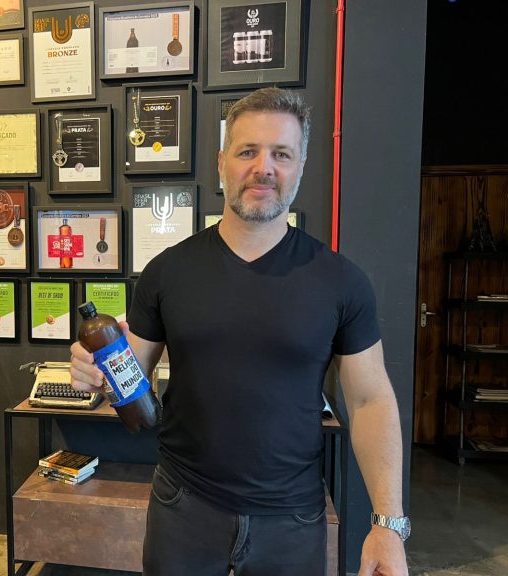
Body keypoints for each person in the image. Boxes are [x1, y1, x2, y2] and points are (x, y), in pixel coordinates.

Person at [70, 87, 409, 576]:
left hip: (292, 518)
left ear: (300, 167)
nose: (263, 168)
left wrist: (388, 525)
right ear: (221, 163)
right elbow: (128, 378)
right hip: (183, 505)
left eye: (281, 154)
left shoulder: (341, 281)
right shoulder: (167, 272)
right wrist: (95, 371)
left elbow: (370, 400)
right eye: (247, 151)